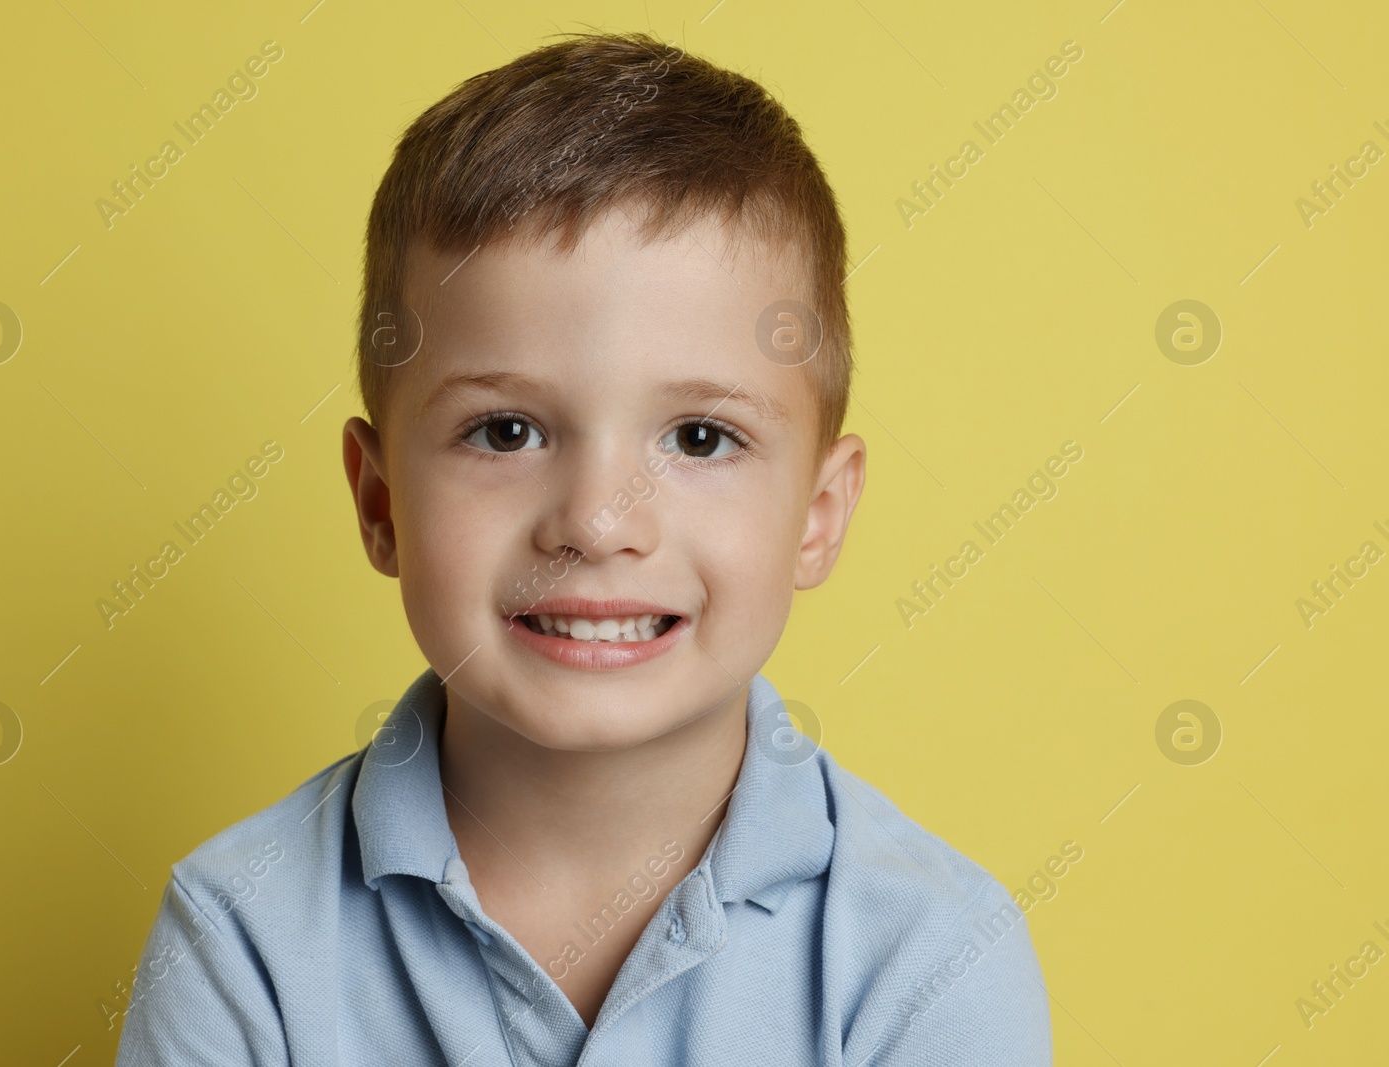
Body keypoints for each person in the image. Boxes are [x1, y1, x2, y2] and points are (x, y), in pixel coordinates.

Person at [115, 29, 1051, 1066]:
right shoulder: (240, 935)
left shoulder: (929, 960)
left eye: (700, 436)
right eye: (505, 430)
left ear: (818, 515)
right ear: (380, 501)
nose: (599, 522)